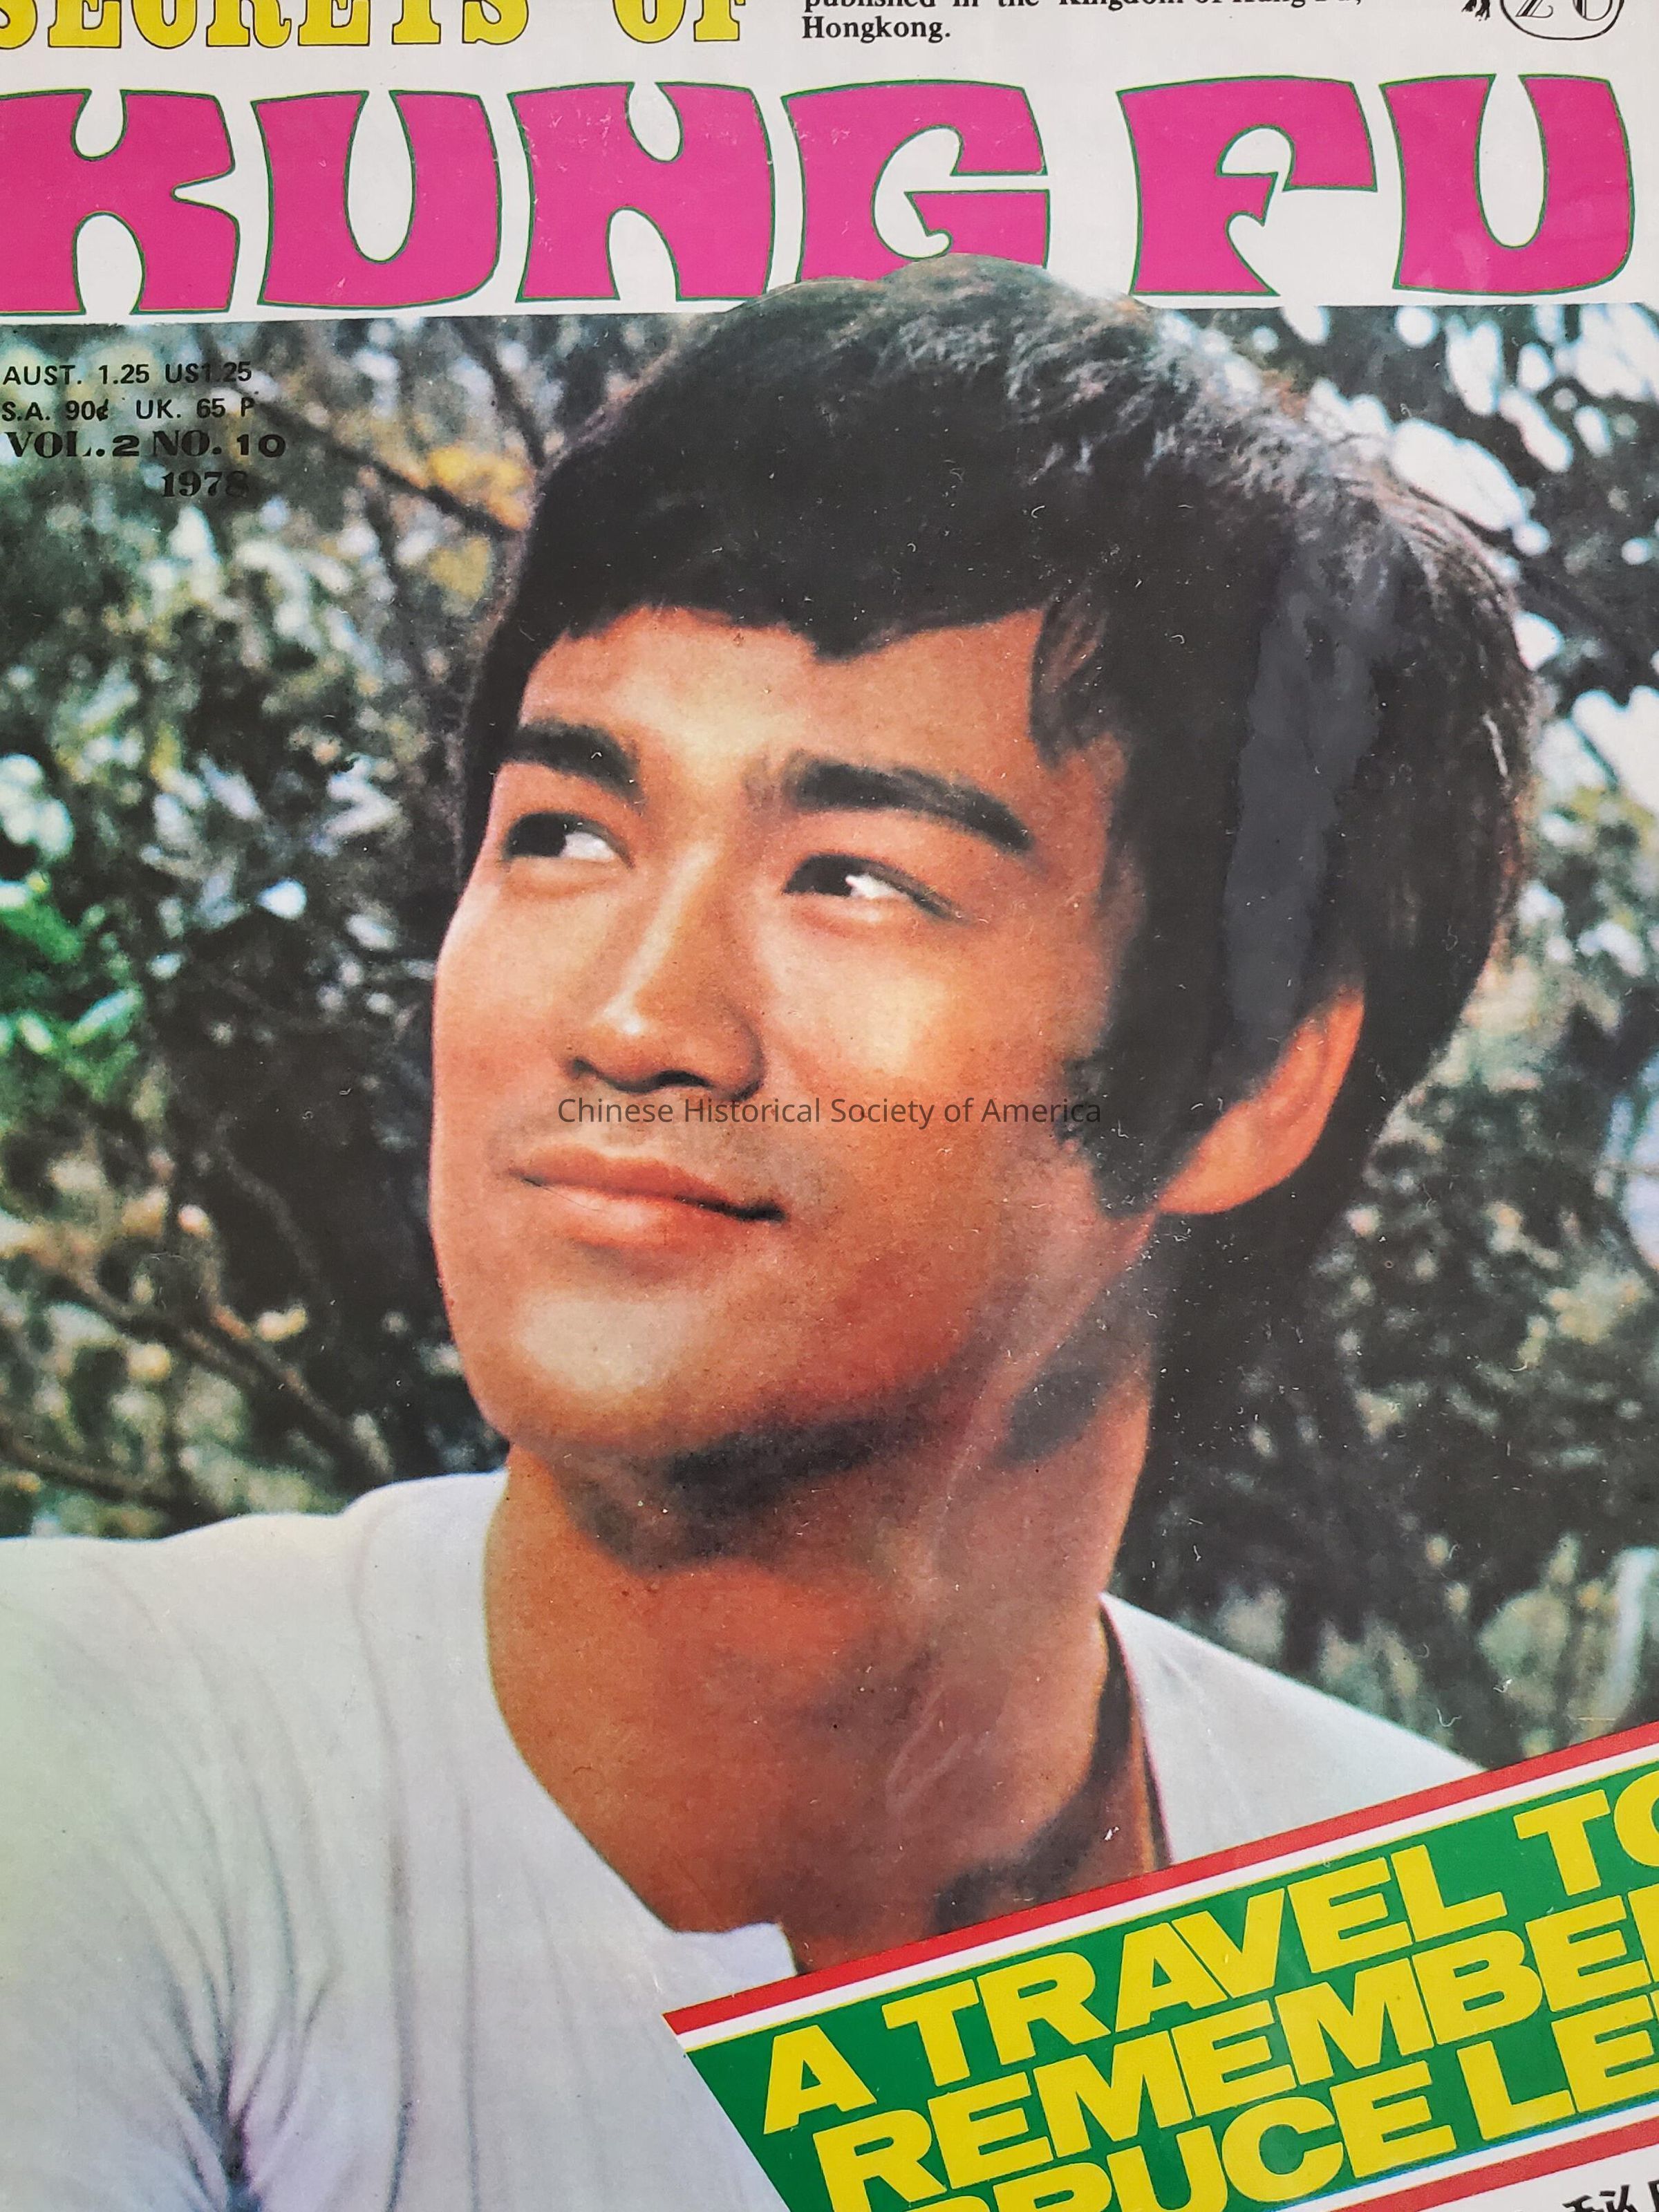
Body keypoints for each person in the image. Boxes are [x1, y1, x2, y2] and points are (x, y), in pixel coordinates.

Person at [0, 261, 1531, 2211]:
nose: (636, 1019)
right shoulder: (90, 1747)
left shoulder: (1435, 1955)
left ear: (1245, 1085)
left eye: (857, 877)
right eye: (566, 833)